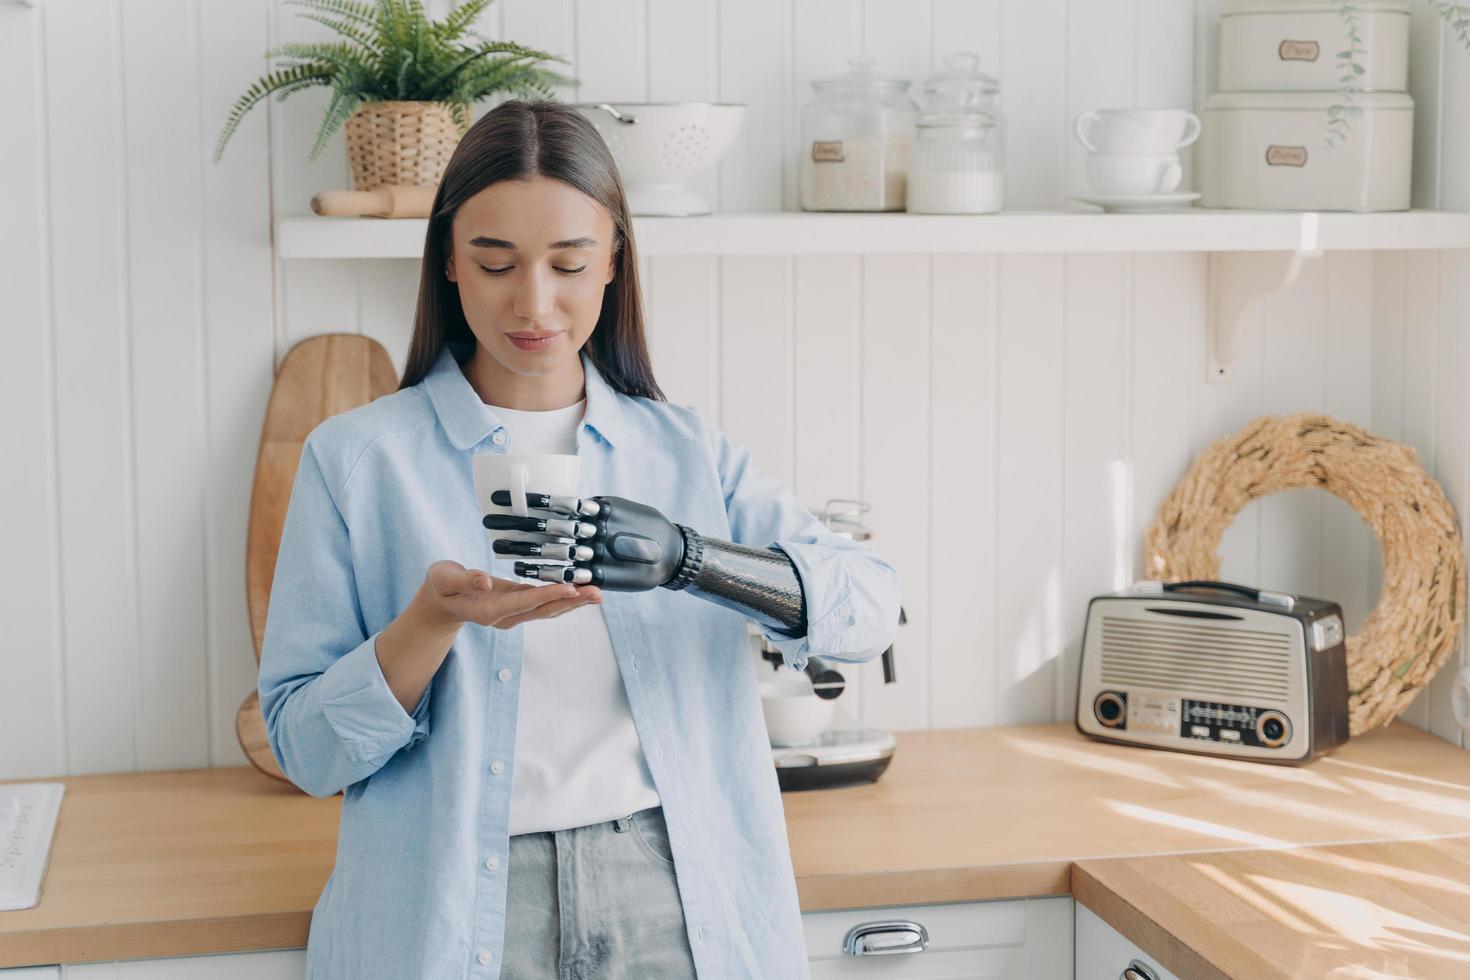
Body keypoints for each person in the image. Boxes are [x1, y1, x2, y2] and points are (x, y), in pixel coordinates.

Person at [257, 99, 901, 980]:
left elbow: (869, 609)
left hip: (673, 899)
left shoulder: (684, 451)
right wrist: (428, 627)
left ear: (613, 263)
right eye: (495, 263)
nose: (534, 302)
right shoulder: (360, 462)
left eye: (569, 263)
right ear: (448, 259)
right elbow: (304, 751)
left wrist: (691, 558)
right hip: (453, 913)